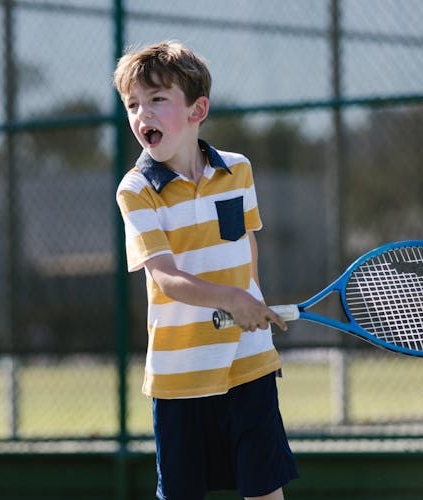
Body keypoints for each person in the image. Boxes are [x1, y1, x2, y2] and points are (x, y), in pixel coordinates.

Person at [114, 40, 299, 500]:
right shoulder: (135, 191)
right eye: (133, 104)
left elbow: (245, 245)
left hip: (249, 363)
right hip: (181, 376)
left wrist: (249, 300)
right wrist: (231, 300)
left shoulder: (238, 170)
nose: (143, 115)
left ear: (198, 110)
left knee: (264, 489)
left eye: (158, 100)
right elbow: (164, 277)